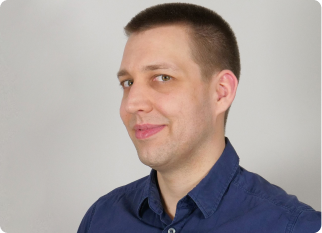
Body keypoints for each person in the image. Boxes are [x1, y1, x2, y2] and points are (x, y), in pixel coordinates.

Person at [77, 3, 322, 233]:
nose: (132, 103)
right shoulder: (101, 219)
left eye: (162, 77)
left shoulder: (295, 227)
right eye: (128, 83)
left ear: (220, 92)